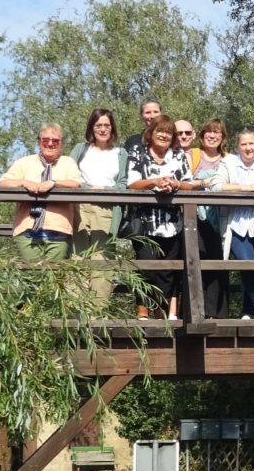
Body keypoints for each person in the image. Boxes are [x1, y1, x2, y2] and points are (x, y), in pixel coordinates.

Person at [126, 114, 203, 320]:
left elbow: (189, 183)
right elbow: (132, 183)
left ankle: (162, 312)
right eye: (160, 131)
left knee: (168, 271)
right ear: (151, 133)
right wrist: (154, 182)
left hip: (172, 223)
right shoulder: (138, 153)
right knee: (145, 268)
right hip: (144, 222)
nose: (164, 135)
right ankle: (143, 312)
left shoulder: (178, 155)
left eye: (168, 132)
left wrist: (175, 184)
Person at [212, 129, 254, 319]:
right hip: (234, 223)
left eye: (251, 144)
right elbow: (216, 186)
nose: (248, 148)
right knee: (246, 264)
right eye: (244, 144)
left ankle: (247, 310)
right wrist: (245, 188)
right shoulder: (229, 162)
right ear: (238, 147)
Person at [69, 109, 128, 302]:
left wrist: (103, 189)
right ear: (92, 128)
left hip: (106, 209)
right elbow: (69, 175)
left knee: (103, 259)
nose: (103, 129)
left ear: (112, 128)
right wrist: (88, 187)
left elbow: (122, 184)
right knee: (77, 256)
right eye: (98, 125)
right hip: (79, 207)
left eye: (106, 125)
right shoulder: (81, 149)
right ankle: (74, 312)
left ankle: (97, 314)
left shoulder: (120, 153)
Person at [0, 123, 81, 261]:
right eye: (45, 140)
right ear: (39, 142)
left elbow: (75, 183)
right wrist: (24, 182)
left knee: (54, 277)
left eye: (55, 141)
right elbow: (4, 182)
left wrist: (54, 183)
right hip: (27, 230)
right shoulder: (24, 162)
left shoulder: (68, 162)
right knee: (32, 276)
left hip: (58, 230)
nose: (50, 144)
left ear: (62, 144)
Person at [187, 119, 231, 319]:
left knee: (219, 263)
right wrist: (203, 182)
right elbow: (183, 181)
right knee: (196, 262)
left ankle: (218, 314)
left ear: (222, 137)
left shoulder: (229, 159)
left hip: (222, 217)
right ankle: (197, 312)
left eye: (217, 133)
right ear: (202, 135)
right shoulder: (192, 155)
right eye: (209, 132)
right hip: (195, 217)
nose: (213, 136)